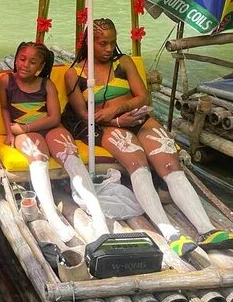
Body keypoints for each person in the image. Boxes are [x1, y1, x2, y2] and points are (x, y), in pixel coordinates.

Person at [63, 18, 233, 256]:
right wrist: (118, 120)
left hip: (138, 118)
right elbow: (84, 115)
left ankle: (207, 229)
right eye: (103, 44)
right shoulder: (75, 74)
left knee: (170, 164)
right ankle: (170, 233)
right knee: (137, 163)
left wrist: (119, 109)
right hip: (108, 126)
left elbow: (142, 96)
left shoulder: (124, 62)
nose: (109, 48)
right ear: (88, 43)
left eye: (112, 42)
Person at [0, 42, 109, 243]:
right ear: (16, 59)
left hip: (47, 127)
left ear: (41, 67)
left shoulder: (46, 84)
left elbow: (54, 118)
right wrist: (9, 132)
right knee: (38, 158)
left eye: (33, 62)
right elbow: (5, 108)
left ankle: (98, 216)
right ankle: (52, 216)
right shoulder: (6, 81)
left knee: (71, 156)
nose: (25, 65)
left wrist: (25, 128)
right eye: (22, 59)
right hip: (24, 130)